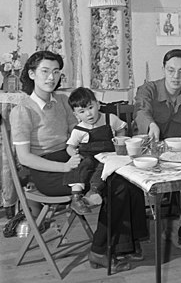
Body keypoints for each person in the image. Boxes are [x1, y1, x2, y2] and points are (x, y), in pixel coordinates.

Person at [10, 51, 148, 272]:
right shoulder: (22, 110)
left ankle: (125, 245)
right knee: (115, 188)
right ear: (31, 74)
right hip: (46, 170)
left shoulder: (62, 101)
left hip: (73, 158)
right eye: (45, 71)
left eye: (56, 72)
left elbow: (80, 131)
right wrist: (64, 166)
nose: (51, 77)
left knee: (126, 180)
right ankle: (100, 250)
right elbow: (24, 158)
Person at [134, 49, 181, 255]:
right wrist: (151, 125)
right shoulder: (148, 89)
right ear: (164, 69)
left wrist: (180, 145)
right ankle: (135, 233)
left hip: (178, 154)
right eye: (171, 70)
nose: (176, 76)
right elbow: (141, 111)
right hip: (146, 150)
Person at [66, 87, 127, 206]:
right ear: (76, 114)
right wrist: (73, 154)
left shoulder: (110, 119)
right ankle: (76, 197)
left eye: (90, 108)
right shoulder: (79, 130)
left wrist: (119, 141)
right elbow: (70, 146)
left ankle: (94, 192)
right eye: (82, 111)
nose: (88, 114)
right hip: (88, 156)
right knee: (81, 167)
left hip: (107, 155)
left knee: (103, 168)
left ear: (98, 105)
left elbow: (121, 128)